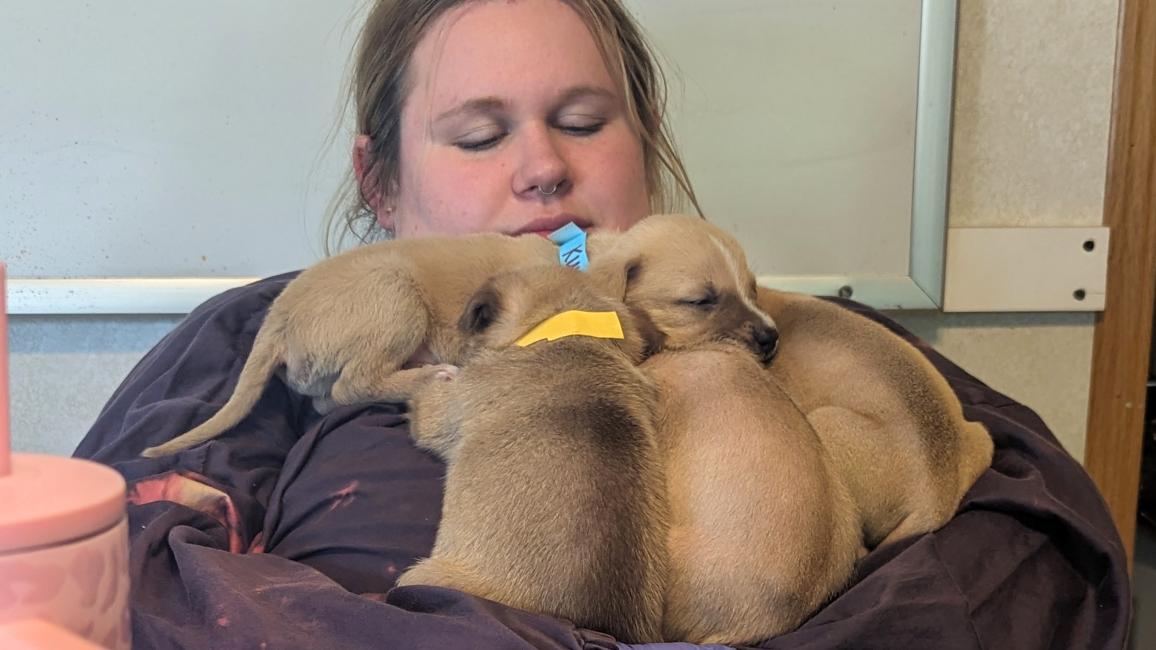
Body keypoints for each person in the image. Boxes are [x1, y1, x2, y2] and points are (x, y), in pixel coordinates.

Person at [74, 1, 1129, 648]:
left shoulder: (782, 335)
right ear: (381, 184)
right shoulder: (280, 331)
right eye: (479, 136)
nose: (543, 166)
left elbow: (1039, 556)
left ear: (647, 144)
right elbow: (120, 570)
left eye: (583, 121)